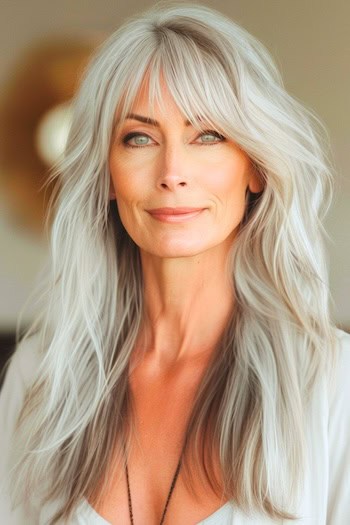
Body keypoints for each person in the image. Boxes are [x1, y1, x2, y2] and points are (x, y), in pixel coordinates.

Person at [0, 2, 349, 524]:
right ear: (106, 176)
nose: (172, 172)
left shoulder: (333, 383)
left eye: (207, 135)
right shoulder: (40, 379)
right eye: (139, 137)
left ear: (255, 168)